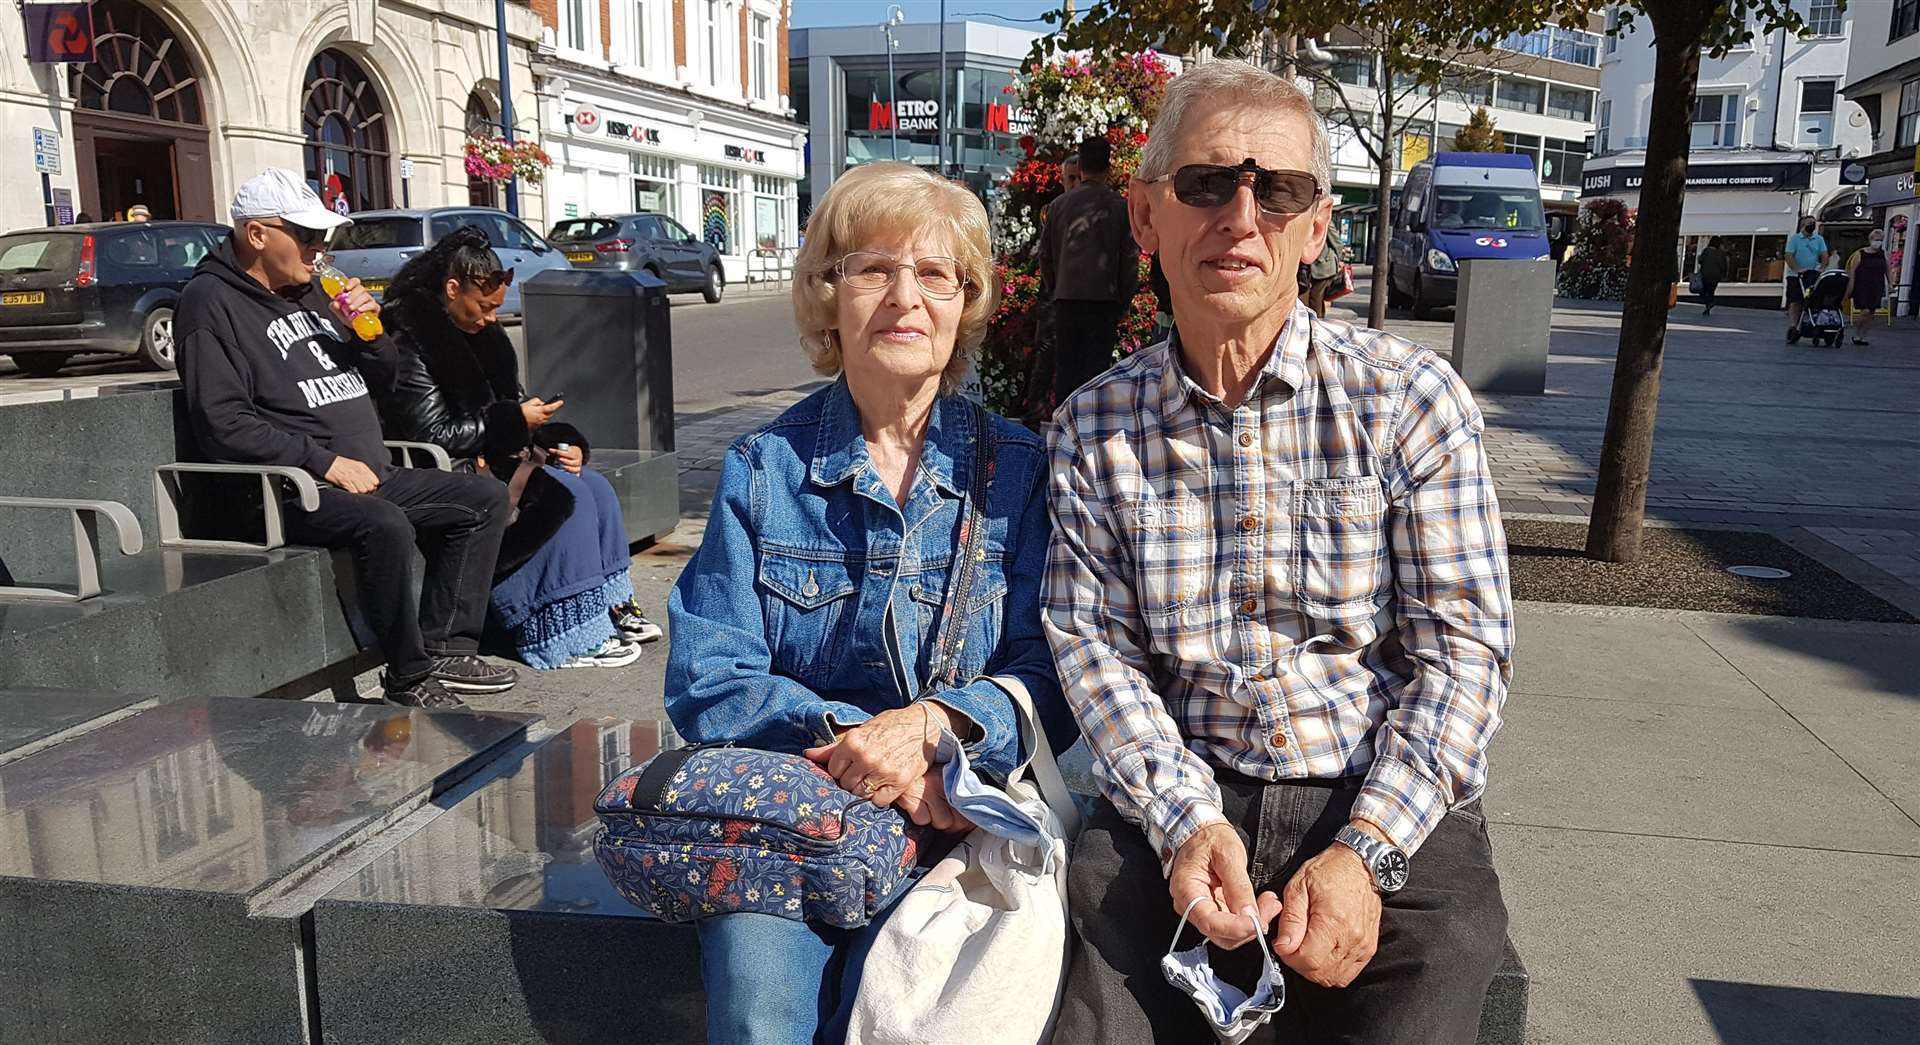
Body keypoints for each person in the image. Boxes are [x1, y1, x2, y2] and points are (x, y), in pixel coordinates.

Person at [1043, 61, 1513, 1043]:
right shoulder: (1095, 427)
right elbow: (1097, 654)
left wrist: (1365, 851)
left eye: (1279, 189)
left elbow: (1462, 658)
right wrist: (1185, 822)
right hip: (1182, 793)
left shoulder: (1410, 401)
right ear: (1147, 216)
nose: (1241, 216)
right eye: (1208, 183)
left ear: (1315, 226)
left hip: (1381, 794)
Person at [664, 160, 1077, 1045]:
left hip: (962, 812)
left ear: (965, 301)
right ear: (828, 293)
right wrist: (869, 748)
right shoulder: (762, 468)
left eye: (935, 274)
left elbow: (1050, 671)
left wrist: (936, 737)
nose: (905, 296)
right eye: (872, 268)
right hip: (792, 817)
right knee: (758, 1007)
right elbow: (708, 677)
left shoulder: (1019, 471)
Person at [177, 169, 517, 708]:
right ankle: (407, 678)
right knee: (384, 524)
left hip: (366, 472)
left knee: (483, 498)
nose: (319, 249)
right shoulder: (208, 303)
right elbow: (222, 421)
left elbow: (383, 383)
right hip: (284, 489)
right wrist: (323, 463)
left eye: (323, 238)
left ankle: (447, 644)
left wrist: (372, 334)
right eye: (306, 236)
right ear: (258, 235)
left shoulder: (312, 291)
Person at [374, 225, 663, 670]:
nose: (491, 318)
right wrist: (513, 421)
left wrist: (559, 441)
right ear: (452, 289)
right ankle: (562, 629)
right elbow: (432, 435)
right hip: (454, 469)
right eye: (484, 307)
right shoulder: (413, 345)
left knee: (593, 485)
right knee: (569, 499)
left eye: (495, 308)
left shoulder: (480, 337)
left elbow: (514, 407)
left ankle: (604, 605)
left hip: (494, 456)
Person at [1040, 136, 1139, 404]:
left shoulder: (1059, 205)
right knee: (1096, 373)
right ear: (1109, 167)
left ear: (1080, 166)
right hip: (1103, 300)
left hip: (1066, 298)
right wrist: (1124, 298)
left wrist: (1055, 287)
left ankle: (1063, 431)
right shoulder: (1119, 207)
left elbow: (1045, 255)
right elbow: (1129, 258)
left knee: (1067, 371)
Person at [1784, 217, 1827, 342]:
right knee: (1795, 301)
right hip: (1795, 276)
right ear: (1803, 225)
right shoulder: (1795, 239)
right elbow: (1788, 255)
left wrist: (1822, 267)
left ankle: (1814, 324)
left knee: (1813, 301)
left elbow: (1824, 255)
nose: (1813, 226)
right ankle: (1794, 326)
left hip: (1812, 274)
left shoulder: (1819, 239)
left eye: (1814, 223)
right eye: (1810, 223)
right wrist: (1797, 269)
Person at [1846, 229, 1890, 346]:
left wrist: (1890, 284)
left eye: (1880, 240)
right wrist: (1851, 286)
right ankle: (1857, 332)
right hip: (1862, 286)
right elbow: (1852, 271)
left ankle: (1863, 336)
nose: (1878, 242)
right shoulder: (1860, 254)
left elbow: (1887, 270)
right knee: (1864, 310)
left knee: (1871, 312)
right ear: (1870, 240)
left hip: (1876, 285)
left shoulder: (1883, 254)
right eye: (1876, 240)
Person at [1302, 222, 1347, 316]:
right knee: (1304, 299)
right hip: (1306, 267)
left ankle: (1316, 324)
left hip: (1323, 266)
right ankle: (1310, 322)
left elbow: (1337, 243)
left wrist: (1339, 259)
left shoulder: (1324, 220)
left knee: (1315, 299)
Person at [1695, 237, 1727, 316]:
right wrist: (1723, 274)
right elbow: (1724, 265)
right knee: (1711, 290)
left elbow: (1700, 260)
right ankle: (1708, 306)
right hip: (1716, 276)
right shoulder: (1721, 253)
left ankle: (1708, 304)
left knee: (1704, 291)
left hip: (1706, 274)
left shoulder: (1706, 251)